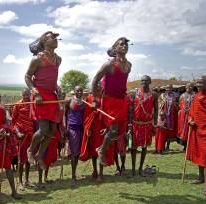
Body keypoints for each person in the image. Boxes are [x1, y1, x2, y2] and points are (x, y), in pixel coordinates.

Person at [91, 37, 131, 166]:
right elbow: (95, 80)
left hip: (122, 101)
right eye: (121, 44)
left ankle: (101, 149)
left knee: (118, 132)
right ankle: (102, 151)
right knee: (113, 130)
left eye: (126, 44)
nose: (124, 46)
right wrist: (96, 100)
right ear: (115, 49)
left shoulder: (129, 65)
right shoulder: (108, 64)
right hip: (109, 101)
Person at [25, 31, 62, 170]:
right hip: (40, 97)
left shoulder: (58, 59)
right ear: (44, 41)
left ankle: (40, 155)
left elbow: (51, 78)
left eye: (56, 38)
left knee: (52, 130)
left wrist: (58, 88)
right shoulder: (37, 59)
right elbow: (28, 77)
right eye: (52, 37)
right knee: (43, 130)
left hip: (51, 96)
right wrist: (35, 93)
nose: (55, 39)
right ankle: (30, 150)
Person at [128, 75, 158, 177]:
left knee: (144, 147)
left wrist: (154, 124)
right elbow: (131, 110)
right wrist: (129, 125)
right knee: (133, 148)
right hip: (135, 124)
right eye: (142, 80)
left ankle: (140, 169)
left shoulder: (154, 95)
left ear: (150, 82)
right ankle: (133, 170)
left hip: (147, 125)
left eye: (146, 80)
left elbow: (156, 110)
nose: (143, 82)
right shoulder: (134, 94)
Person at [11, 88, 36, 191]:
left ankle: (26, 180)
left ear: (30, 95)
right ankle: (20, 182)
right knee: (21, 160)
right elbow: (13, 123)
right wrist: (17, 132)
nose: (26, 97)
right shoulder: (17, 105)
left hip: (31, 134)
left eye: (27, 95)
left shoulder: (32, 104)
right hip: (21, 135)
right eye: (24, 95)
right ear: (21, 94)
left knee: (28, 159)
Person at [65, 85, 85, 185]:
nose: (79, 92)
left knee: (77, 154)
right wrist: (65, 128)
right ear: (74, 91)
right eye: (77, 91)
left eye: (81, 91)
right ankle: (73, 176)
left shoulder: (85, 103)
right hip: (72, 130)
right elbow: (65, 115)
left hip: (81, 129)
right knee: (73, 153)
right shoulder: (69, 101)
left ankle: (74, 173)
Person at [158, 84, 178, 150]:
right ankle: (162, 145)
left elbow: (177, 105)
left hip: (171, 116)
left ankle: (168, 146)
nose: (168, 89)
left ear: (172, 88)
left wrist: (173, 104)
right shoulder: (162, 95)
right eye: (167, 88)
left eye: (170, 88)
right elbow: (159, 103)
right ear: (166, 88)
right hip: (164, 116)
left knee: (169, 131)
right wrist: (163, 104)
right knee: (163, 130)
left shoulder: (175, 96)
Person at [177, 82, 195, 149]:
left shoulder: (195, 95)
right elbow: (180, 105)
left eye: (191, 86)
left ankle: (190, 145)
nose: (189, 88)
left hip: (192, 115)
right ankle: (184, 145)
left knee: (190, 129)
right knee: (183, 130)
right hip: (183, 116)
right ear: (186, 87)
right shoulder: (182, 95)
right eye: (188, 86)